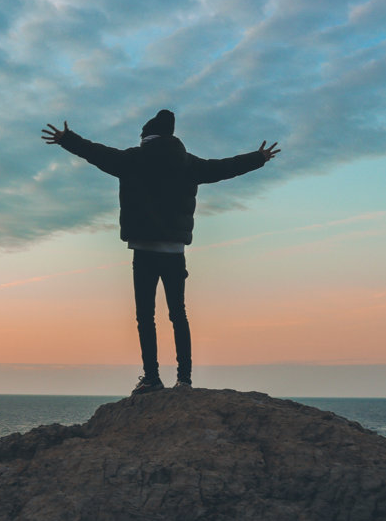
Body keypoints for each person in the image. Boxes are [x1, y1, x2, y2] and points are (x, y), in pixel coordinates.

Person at [41, 110, 280, 395]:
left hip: (143, 250)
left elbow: (96, 153)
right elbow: (224, 167)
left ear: (146, 137)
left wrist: (67, 139)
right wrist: (258, 158)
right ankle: (185, 379)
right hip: (174, 251)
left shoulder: (132, 160)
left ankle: (152, 378)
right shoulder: (189, 163)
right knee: (178, 314)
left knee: (146, 316)